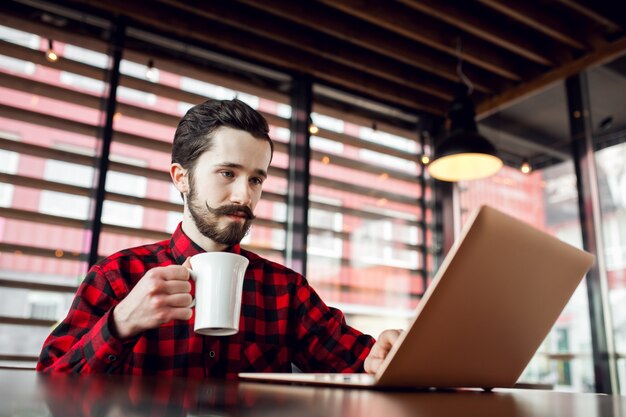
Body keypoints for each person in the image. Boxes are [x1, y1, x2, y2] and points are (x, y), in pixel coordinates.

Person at [37, 98, 401, 378]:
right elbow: (50, 385)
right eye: (228, 173)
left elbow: (360, 361)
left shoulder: (284, 290)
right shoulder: (118, 276)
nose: (245, 195)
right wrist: (120, 324)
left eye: (256, 179)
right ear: (182, 177)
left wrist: (383, 353)